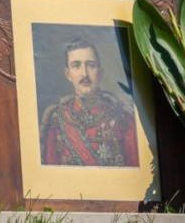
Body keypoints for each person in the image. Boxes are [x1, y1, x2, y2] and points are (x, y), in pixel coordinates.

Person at [40, 38, 139, 167]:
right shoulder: (57, 119)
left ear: (100, 73)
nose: (84, 74)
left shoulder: (122, 118)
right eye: (76, 65)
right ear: (68, 74)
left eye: (91, 65)